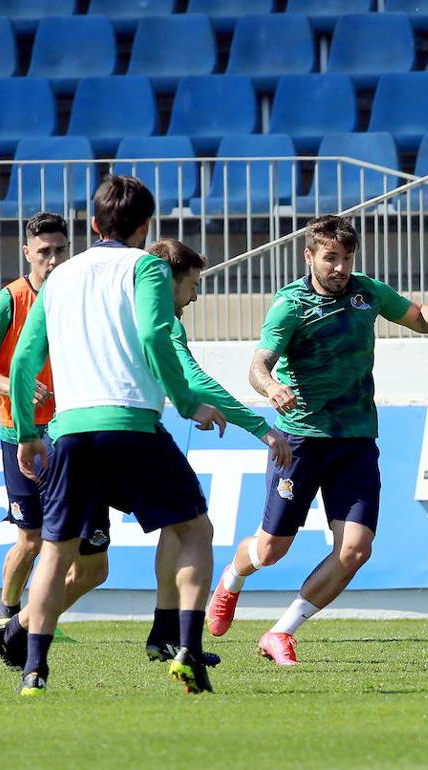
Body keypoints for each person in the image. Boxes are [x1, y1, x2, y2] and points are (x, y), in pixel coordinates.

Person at [204, 215, 428, 666]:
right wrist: (272, 388)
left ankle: (281, 632)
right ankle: (231, 579)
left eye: (346, 258)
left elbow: (422, 321)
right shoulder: (290, 304)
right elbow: (258, 365)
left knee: (356, 549)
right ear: (310, 256)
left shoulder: (367, 292)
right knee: (269, 550)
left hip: (356, 438)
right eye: (331, 258)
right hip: (301, 438)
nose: (340, 267)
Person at [9, 176, 226, 696]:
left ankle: (34, 671)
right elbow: (155, 333)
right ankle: (188, 653)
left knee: (56, 552)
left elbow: (22, 361)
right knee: (194, 530)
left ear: (91, 224)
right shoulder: (147, 265)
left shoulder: (58, 277)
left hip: (72, 430)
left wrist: (26, 432)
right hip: (132, 424)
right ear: (146, 225)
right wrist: (187, 399)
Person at [142, 238, 292, 663]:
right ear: (167, 280)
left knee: (82, 557)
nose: (196, 295)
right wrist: (261, 428)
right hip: (126, 432)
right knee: (194, 530)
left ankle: (162, 634)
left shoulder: (119, 307)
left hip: (73, 429)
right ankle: (182, 642)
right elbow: (197, 381)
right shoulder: (162, 319)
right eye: (192, 283)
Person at [0, 213, 107, 635]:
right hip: (21, 434)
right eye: (44, 251)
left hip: (73, 434)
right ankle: (6, 617)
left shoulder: (77, 296)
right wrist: (13, 387)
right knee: (31, 538)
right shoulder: (9, 300)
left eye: (61, 250)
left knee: (80, 553)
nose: (54, 259)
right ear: (28, 253)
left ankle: (35, 620)